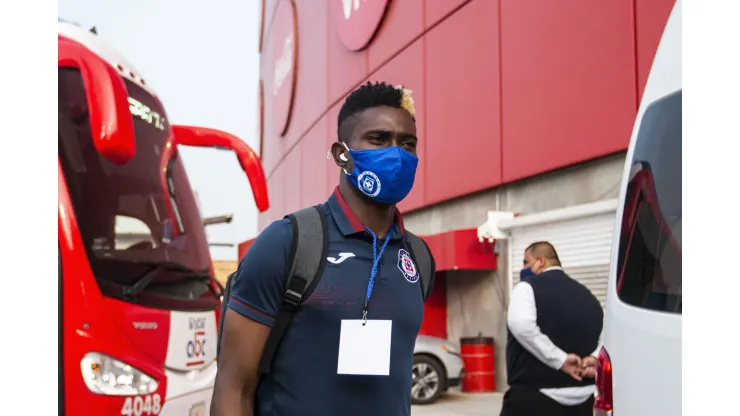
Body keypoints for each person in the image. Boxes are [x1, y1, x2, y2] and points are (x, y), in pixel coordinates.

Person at [211, 81, 435, 416]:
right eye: (378, 139)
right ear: (342, 154)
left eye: (407, 143)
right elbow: (234, 387)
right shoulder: (287, 243)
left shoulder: (418, 258)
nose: (397, 154)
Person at [501, 241, 603, 416]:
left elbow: (522, 326)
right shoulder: (589, 296)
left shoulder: (527, 288)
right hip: (584, 400)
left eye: (526, 262)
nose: (524, 268)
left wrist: (560, 360)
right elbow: (606, 333)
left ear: (541, 261)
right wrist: (594, 358)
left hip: (535, 399)